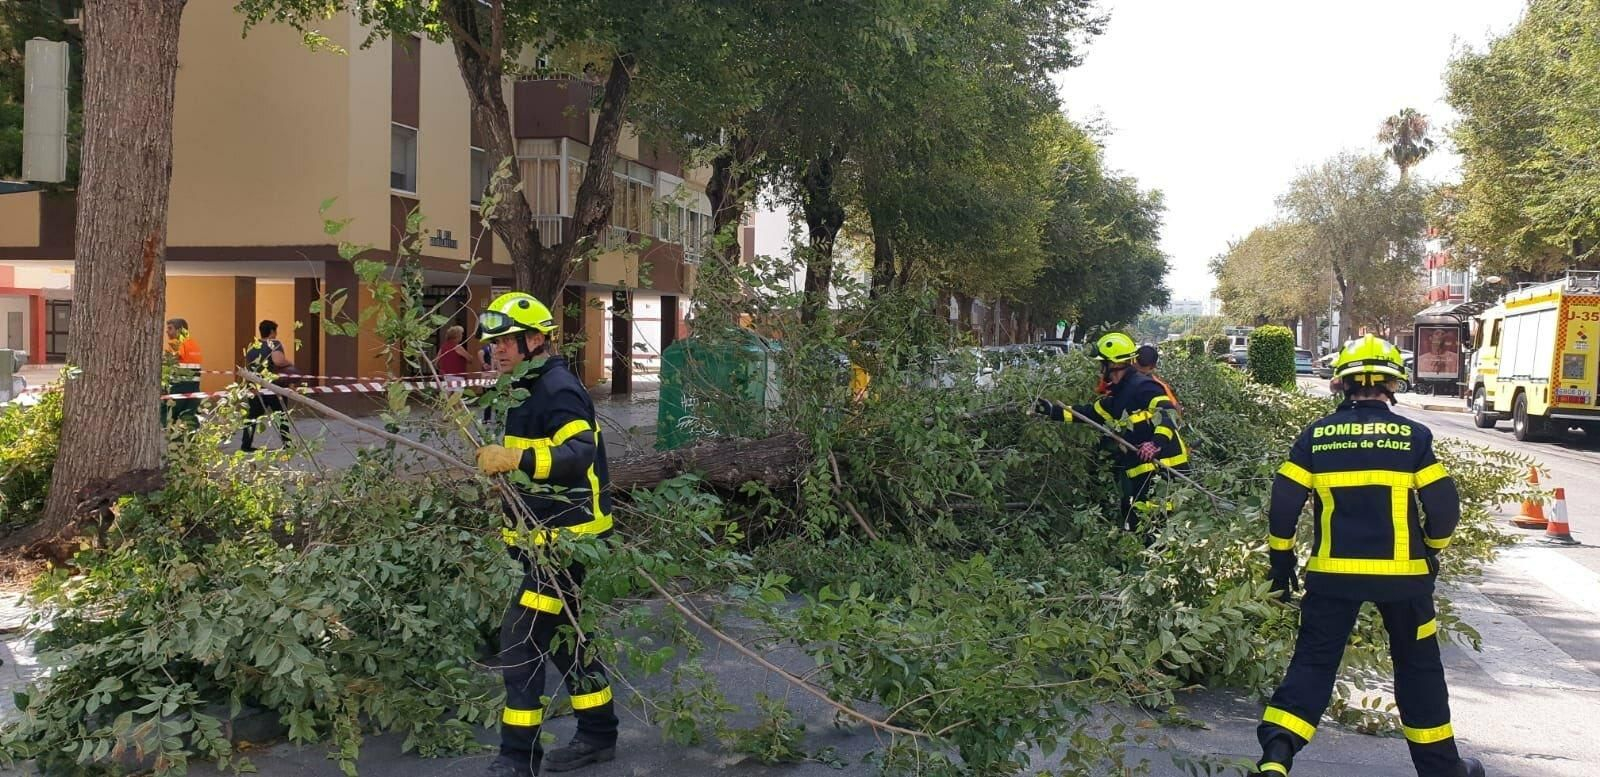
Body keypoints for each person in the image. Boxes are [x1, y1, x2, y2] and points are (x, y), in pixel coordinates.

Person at [1252, 334, 1484, 777]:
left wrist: (1280, 561)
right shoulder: (1414, 436)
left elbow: (1283, 503)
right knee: (1418, 671)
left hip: (1332, 577)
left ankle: (1275, 760)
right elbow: (1444, 510)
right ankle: (1442, 770)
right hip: (1405, 581)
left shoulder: (1317, 436)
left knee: (1313, 664)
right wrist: (1432, 551)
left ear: (1341, 384)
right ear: (1392, 385)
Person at [471, 292, 619, 777]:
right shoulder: (518, 389)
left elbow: (576, 454)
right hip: (539, 540)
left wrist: (517, 459)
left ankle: (517, 760)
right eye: (493, 345)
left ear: (536, 340)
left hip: (566, 543)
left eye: (508, 342)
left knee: (519, 643)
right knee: (565, 639)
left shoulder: (556, 388)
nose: (498, 352)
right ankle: (599, 736)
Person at [1032, 332, 1190, 535]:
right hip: (1142, 475)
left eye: (1103, 364)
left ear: (1113, 364)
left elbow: (1168, 412)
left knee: (1161, 531)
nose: (1101, 369)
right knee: (1139, 526)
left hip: (1167, 475)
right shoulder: (1117, 397)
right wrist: (1052, 411)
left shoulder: (1143, 387)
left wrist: (1155, 443)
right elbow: (1089, 413)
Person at [241, 320, 296, 452]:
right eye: (275, 331)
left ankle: (246, 445)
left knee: (252, 416)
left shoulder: (252, 345)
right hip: (273, 386)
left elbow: (248, 365)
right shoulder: (274, 344)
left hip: (255, 386)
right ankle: (287, 443)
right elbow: (278, 360)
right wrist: (289, 363)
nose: (276, 334)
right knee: (281, 414)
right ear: (271, 331)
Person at [162, 318, 202, 428]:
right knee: (189, 419)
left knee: (168, 416)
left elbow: (170, 361)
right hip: (194, 388)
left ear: (179, 330)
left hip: (179, 388)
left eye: (170, 328)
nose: (167, 331)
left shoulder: (178, 343)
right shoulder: (193, 344)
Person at [1135, 344, 1182, 418]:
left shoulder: (1119, 375)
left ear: (1134, 360)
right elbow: (1177, 411)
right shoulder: (1160, 386)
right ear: (1153, 366)